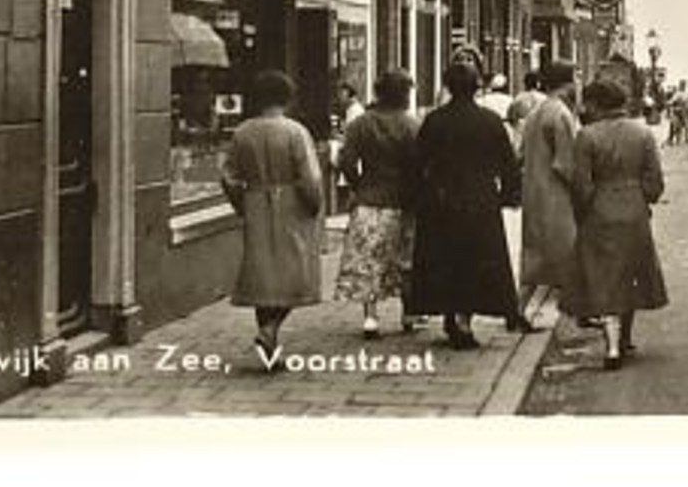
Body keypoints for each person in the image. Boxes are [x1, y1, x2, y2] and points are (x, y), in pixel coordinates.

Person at [405, 61, 529, 349]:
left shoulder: (435, 121)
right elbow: (507, 163)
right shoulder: (489, 121)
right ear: (477, 87)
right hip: (479, 200)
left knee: (446, 260)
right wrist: (509, 195)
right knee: (475, 261)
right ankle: (464, 319)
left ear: (447, 86)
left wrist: (419, 195)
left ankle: (451, 314)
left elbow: (418, 161)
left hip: (442, 199)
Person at [562, 80, 668, 370]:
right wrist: (643, 198)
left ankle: (611, 348)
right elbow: (655, 182)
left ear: (597, 104)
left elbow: (581, 184)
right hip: (634, 211)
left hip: (600, 212)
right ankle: (625, 339)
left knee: (604, 277)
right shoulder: (643, 133)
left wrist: (582, 211)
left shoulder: (586, 136)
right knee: (629, 274)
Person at [220, 69, 323, 365]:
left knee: (262, 273)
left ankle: (268, 334)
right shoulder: (295, 132)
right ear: (287, 98)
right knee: (295, 272)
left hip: (255, 203)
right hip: (291, 205)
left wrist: (242, 203)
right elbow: (310, 178)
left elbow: (228, 176)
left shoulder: (242, 132)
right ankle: (271, 328)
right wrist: (313, 205)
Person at [333, 69, 419, 338]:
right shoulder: (412, 125)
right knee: (405, 258)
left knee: (369, 259)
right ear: (404, 94)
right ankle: (408, 313)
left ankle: (371, 317)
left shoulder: (361, 124)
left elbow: (346, 161)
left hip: (369, 198)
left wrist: (358, 185)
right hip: (404, 200)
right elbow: (420, 166)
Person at [519, 61, 582, 294]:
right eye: (575, 79)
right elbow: (566, 164)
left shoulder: (536, 112)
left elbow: (521, 153)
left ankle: (518, 310)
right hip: (556, 196)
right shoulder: (561, 114)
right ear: (566, 84)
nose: (578, 85)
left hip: (533, 191)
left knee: (535, 259)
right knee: (566, 253)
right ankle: (578, 312)